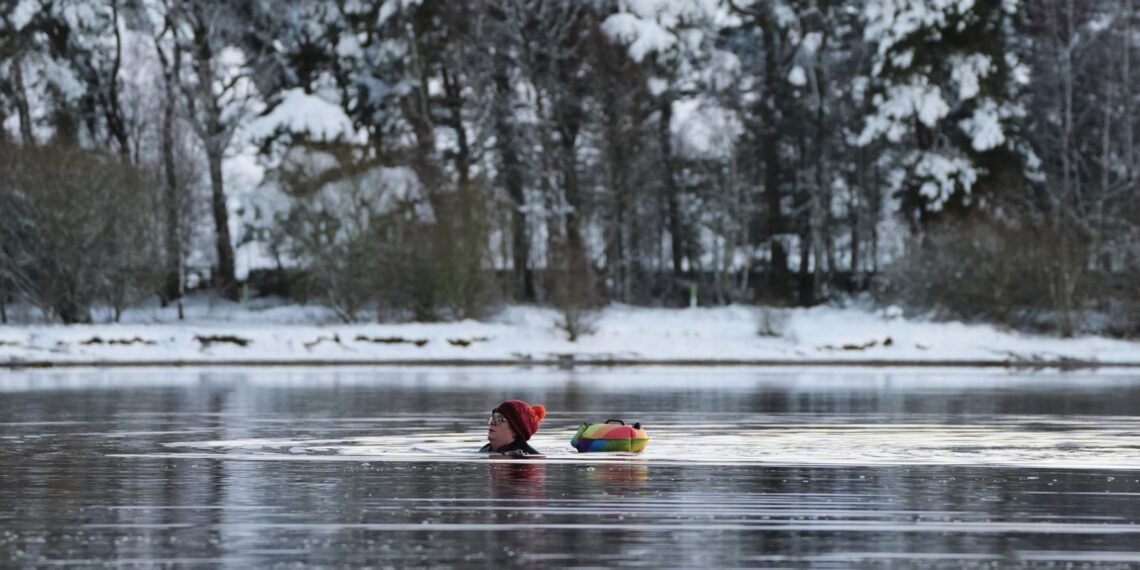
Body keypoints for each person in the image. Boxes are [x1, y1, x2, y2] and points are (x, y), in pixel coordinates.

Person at [480, 399, 546, 456]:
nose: (492, 423)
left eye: (500, 419)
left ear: (515, 431)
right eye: (493, 418)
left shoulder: (521, 454)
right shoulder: (486, 449)